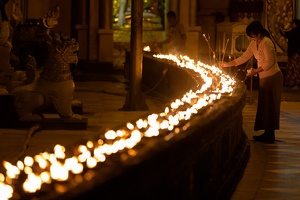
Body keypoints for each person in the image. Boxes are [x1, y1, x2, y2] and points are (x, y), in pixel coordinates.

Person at [220, 20, 283, 144]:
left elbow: (270, 62)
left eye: (252, 35)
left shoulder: (267, 42)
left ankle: (270, 135)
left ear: (259, 34)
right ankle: (266, 133)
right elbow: (244, 57)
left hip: (273, 77)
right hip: (264, 77)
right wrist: (227, 64)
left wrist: (255, 70)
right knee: (264, 105)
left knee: (271, 106)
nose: (250, 38)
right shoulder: (254, 43)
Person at [280, 19, 300, 90]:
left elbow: (285, 34)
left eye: (293, 24)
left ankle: (296, 84)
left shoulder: (295, 32)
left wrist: (281, 27)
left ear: (296, 24)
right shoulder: (296, 32)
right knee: (295, 69)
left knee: (294, 69)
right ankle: (295, 84)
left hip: (294, 53)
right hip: (296, 53)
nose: (292, 25)